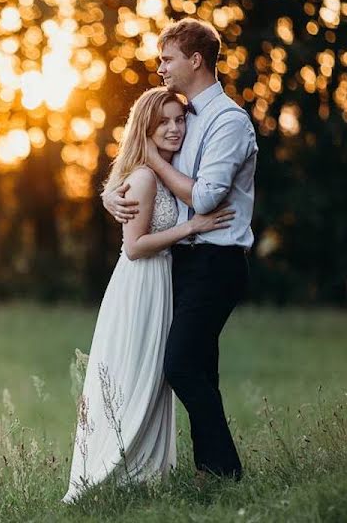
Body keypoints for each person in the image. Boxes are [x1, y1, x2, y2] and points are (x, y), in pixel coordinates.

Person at [63, 87, 235, 503]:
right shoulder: (143, 176)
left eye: (180, 120)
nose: (175, 128)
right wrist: (191, 228)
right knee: (133, 374)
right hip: (140, 283)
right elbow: (134, 246)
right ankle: (111, 475)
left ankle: (146, 474)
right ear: (147, 128)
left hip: (162, 282)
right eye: (165, 122)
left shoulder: (162, 172)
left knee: (154, 377)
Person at [103, 18, 258, 481]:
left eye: (167, 57)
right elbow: (146, 170)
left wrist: (149, 160)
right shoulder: (185, 116)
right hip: (181, 261)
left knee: (182, 365)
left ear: (195, 60)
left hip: (217, 260)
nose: (160, 66)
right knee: (200, 368)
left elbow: (206, 196)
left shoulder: (227, 121)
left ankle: (226, 471)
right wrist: (111, 194)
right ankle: (210, 473)